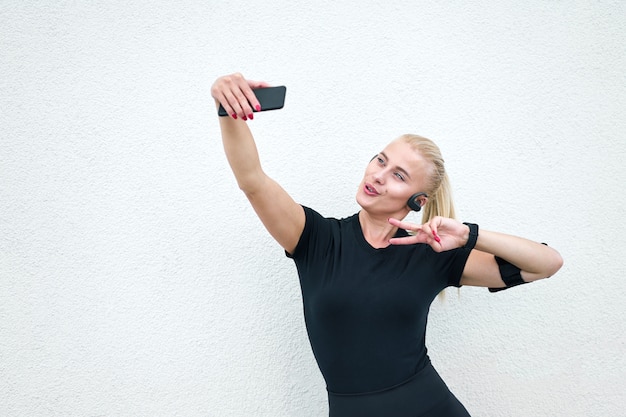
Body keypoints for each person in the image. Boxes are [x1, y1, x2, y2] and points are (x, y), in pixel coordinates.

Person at [211, 73, 563, 417]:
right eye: (380, 160)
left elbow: (546, 263)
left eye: (398, 175)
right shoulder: (316, 238)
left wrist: (471, 235)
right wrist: (227, 107)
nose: (378, 175)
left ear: (418, 201)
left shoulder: (431, 252)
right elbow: (252, 180)